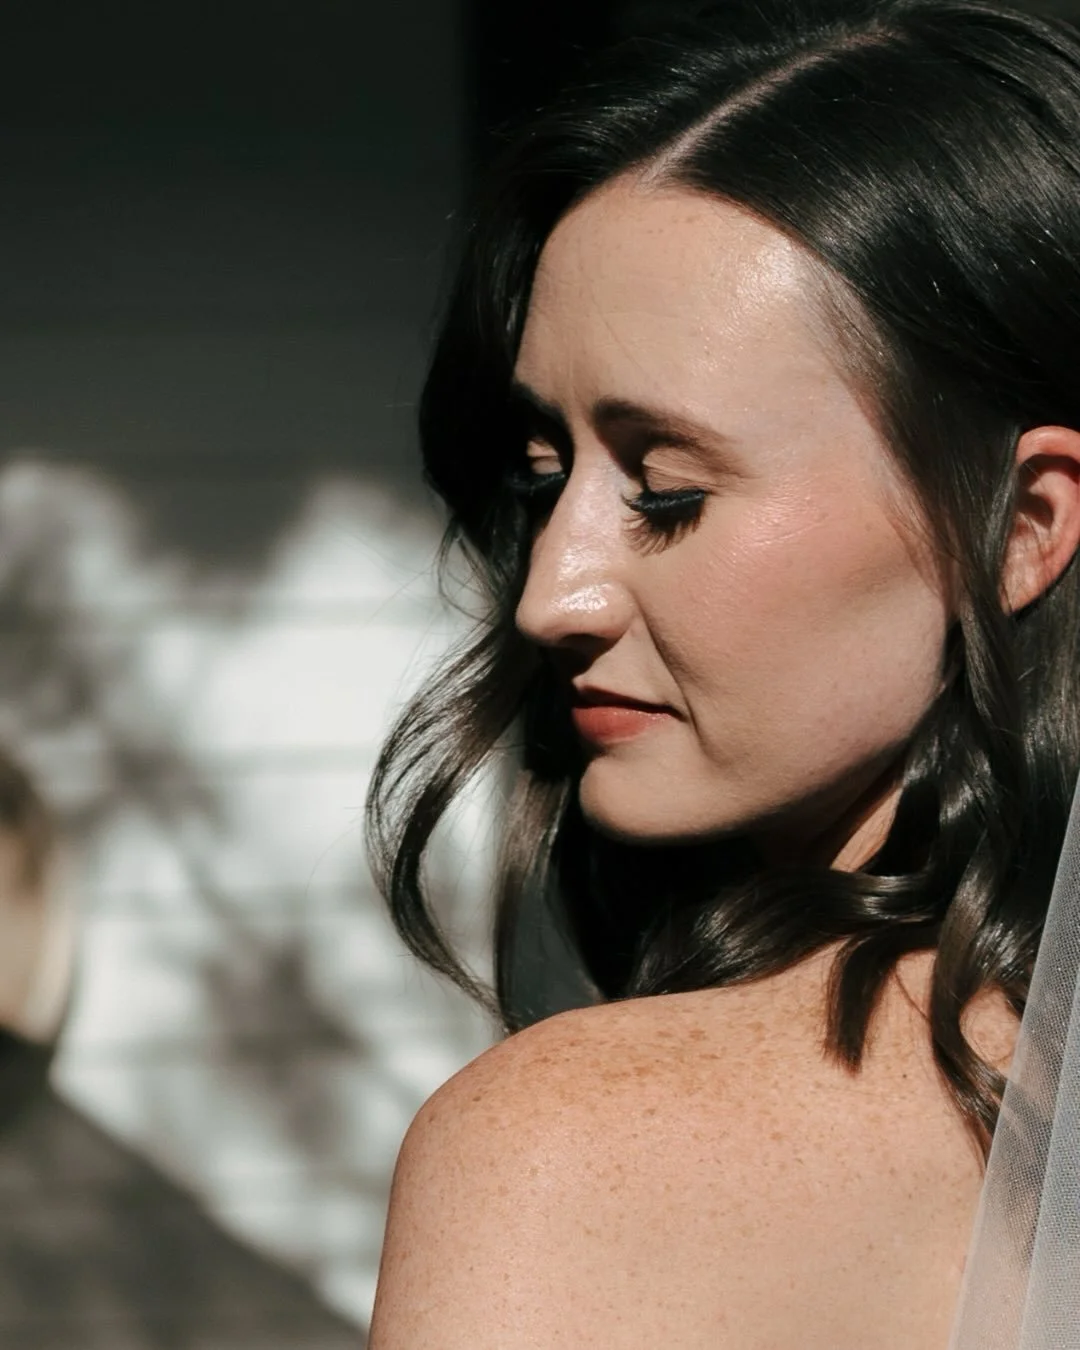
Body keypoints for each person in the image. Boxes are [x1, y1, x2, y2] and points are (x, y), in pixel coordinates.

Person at [364, 0, 1080, 1343]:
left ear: (1023, 526)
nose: (547, 595)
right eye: (541, 473)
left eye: (669, 491)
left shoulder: (563, 1152)